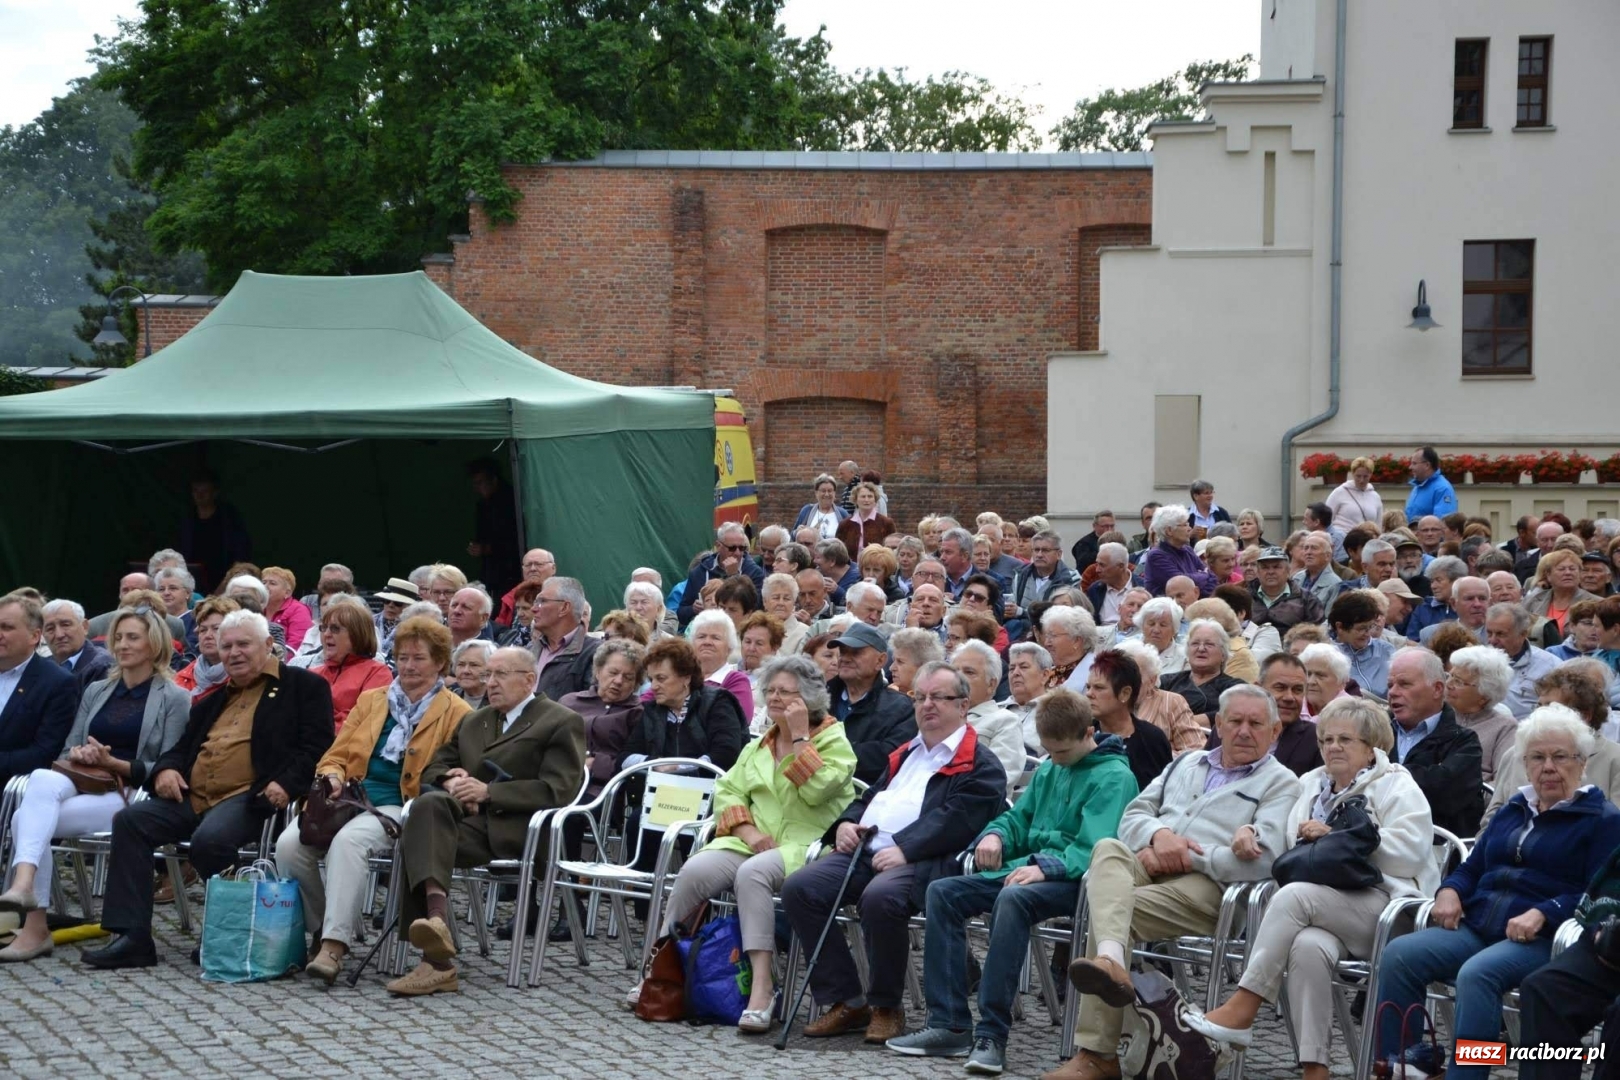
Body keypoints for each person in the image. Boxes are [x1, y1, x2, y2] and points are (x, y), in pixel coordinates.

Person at [1056, 685, 1301, 1080]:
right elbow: (1132, 818)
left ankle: (1098, 1054)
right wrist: (1158, 837)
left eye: (1255, 724)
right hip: (1150, 865)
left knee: (1113, 914)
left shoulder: (1283, 784)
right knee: (1107, 849)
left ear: (1274, 733)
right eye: (1234, 721)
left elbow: (1268, 859)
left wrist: (1189, 856)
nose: (1243, 731)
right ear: (1217, 724)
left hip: (1213, 891)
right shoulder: (1184, 764)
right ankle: (1112, 964)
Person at [888, 689, 1137, 1072]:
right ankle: (949, 1023)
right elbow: (1018, 819)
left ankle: (992, 1033)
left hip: (1080, 883)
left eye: (1062, 753)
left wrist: (1043, 867)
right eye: (1049, 753)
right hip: (1026, 871)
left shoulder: (1114, 777)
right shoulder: (1053, 768)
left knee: (1013, 899)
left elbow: (1097, 848)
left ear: (1089, 733)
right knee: (943, 892)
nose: (1054, 761)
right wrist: (996, 835)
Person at [1187, 697, 1437, 1077]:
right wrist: (1251, 830)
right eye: (1326, 740)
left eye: (1345, 740)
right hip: (1324, 907)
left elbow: (1411, 852)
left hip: (1389, 910)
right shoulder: (1311, 784)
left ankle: (1243, 1007)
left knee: (1292, 896)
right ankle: (1314, 1068)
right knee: (1307, 947)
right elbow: (1288, 847)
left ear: (1371, 748)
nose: (1332, 747)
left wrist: (1341, 837)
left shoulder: (1396, 784)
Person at [1373, 705, 1620, 1077]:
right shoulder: (1515, 808)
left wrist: (1546, 911)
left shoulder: (1602, 820)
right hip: (1480, 924)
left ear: (1581, 762)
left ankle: (1469, 1074)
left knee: (1477, 975)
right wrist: (1450, 890)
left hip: (1542, 936)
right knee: (1401, 954)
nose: (1548, 767)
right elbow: (1474, 865)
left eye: (1560, 757)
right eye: (1537, 757)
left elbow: (1596, 893)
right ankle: (1404, 1064)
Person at [82, 610, 334, 969]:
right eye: (226, 645)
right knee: (131, 821)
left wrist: (287, 782)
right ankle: (132, 937)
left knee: (209, 840)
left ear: (268, 645)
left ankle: (226, 932)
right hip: (194, 795)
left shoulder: (302, 686)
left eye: (243, 644)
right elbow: (181, 749)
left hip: (251, 796)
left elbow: (317, 745)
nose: (234, 652)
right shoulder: (213, 699)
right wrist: (167, 770)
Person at [780, 662, 1007, 1045]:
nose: (927, 705)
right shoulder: (907, 752)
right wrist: (847, 823)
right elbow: (872, 797)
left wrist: (906, 848)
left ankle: (887, 1006)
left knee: (881, 897)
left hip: (927, 861)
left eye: (939, 697)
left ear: (964, 705)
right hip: (868, 850)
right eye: (920, 697)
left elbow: (959, 820)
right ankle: (847, 1000)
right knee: (800, 886)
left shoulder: (980, 762)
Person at [648, 655, 857, 1033]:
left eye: (787, 692)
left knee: (752, 874)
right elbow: (728, 791)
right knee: (695, 869)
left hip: (805, 844)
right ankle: (663, 972)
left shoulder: (834, 740)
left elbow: (816, 790)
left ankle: (762, 987)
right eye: (771, 690)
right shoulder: (761, 743)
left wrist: (799, 738)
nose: (775, 698)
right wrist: (747, 832)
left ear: (809, 699)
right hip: (753, 840)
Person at [275, 617, 471, 984]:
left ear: (441, 663)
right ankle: (320, 930)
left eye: (419, 658)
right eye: (403, 657)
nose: (409, 666)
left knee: (348, 844)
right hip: (348, 797)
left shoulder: (457, 712)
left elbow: (450, 769)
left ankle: (334, 946)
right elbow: (336, 754)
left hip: (400, 804)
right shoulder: (372, 700)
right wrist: (332, 775)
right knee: (288, 846)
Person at [385, 645, 584, 996]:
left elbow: (559, 791)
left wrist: (489, 793)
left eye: (500, 675)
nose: (490, 683)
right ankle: (437, 927)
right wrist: (451, 780)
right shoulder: (476, 719)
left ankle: (435, 957)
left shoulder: (558, 720)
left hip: (521, 829)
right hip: (470, 825)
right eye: (487, 675)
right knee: (427, 807)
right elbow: (433, 767)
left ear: (528, 680)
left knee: (422, 836)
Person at [0, 607, 190, 962]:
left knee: (23, 819)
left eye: (132, 637)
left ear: (154, 643)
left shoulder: (174, 697)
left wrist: (113, 762)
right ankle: (26, 892)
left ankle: (33, 923)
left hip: (129, 791)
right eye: (118, 637)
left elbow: (169, 763)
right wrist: (85, 752)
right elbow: (67, 746)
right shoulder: (98, 689)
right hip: (85, 779)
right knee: (40, 781)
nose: (122, 644)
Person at [1481, 664, 1620, 828]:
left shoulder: (1614, 758)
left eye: (1552, 707)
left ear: (1585, 716)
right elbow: (1491, 819)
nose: (1540, 713)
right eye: (1539, 706)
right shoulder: (1516, 753)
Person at [1384, 647, 1485, 839]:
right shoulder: (1374, 732)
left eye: (1404, 684)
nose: (1393, 693)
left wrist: (1382, 774)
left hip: (1436, 851)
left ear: (1437, 689)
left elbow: (1443, 795)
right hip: (1373, 845)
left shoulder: (1464, 742)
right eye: (1390, 685)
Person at [618, 637, 746, 774]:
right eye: (651, 679)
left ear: (686, 677)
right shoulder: (651, 711)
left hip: (711, 789)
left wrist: (680, 768)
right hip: (660, 790)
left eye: (661, 678)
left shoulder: (718, 702)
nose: (653, 687)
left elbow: (726, 754)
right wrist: (656, 763)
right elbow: (625, 758)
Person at [0, 595, 79, 787]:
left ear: (34, 636)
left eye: (7, 627)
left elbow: (44, 754)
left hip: (12, 787)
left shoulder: (57, 683)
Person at [823, 622, 916, 785]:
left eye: (856, 652)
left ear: (880, 661)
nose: (845, 658)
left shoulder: (902, 708)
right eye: (843, 651)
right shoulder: (818, 698)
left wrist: (824, 750)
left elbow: (888, 757)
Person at [1083, 648, 1174, 792]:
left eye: (1099, 688)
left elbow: (1165, 793)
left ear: (1125, 693)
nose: (1089, 694)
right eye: (1088, 687)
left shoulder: (1152, 739)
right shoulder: (1078, 735)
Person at [310, 596, 392, 731]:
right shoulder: (313, 674)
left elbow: (362, 720)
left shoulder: (377, 672)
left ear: (357, 634)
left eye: (335, 629)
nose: (326, 634)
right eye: (324, 628)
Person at [1439, 645, 1518, 784]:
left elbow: (1503, 782)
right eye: (1450, 675)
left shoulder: (1505, 727)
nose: (1449, 684)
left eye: (1458, 681)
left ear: (1484, 696)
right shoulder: (1435, 714)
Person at [953, 640, 1027, 785]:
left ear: (991, 684)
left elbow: (997, 779)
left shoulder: (1005, 721)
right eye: (954, 671)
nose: (958, 679)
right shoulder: (937, 718)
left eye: (969, 672)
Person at [177, 471, 252, 593]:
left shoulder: (229, 519)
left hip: (225, 580)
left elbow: (241, 555)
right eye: (196, 491)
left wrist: (225, 585)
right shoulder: (188, 519)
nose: (200, 495)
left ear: (215, 493)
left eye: (205, 491)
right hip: (191, 581)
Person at [529, 576, 599, 702]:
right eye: (535, 602)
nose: (533, 609)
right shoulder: (528, 651)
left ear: (564, 608)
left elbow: (590, 708)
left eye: (542, 601)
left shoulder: (595, 653)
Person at [464, 458, 521, 601]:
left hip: (511, 571)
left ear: (494, 480)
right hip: (491, 572)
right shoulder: (483, 505)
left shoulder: (513, 502)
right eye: (475, 483)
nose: (477, 488)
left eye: (480, 482)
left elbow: (516, 538)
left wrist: (488, 548)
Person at [1326, 590, 1396, 700]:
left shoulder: (1386, 650)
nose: (1368, 633)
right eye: (1361, 629)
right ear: (1340, 627)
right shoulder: (1326, 654)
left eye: (1370, 627)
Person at [1523, 548, 1601, 645]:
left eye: (1572, 569)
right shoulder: (1533, 600)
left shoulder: (1596, 603)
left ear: (1580, 573)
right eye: (1561, 569)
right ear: (1548, 575)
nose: (1568, 573)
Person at [173, 596, 240, 702]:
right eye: (203, 630)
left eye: (216, 629)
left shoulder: (245, 676)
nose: (208, 635)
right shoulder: (181, 678)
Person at [1140, 505, 1216, 599]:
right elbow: (1181, 584)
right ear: (1169, 531)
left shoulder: (1188, 550)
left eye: (1188, 524)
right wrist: (1203, 575)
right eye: (1184, 525)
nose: (1189, 529)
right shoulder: (1156, 555)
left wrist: (1197, 581)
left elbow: (1212, 578)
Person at [1250, 546, 1324, 637]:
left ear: (1288, 571)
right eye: (1265, 568)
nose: (1270, 572)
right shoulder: (1245, 598)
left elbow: (1317, 633)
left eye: (1276, 567)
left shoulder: (1306, 599)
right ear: (1257, 572)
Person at [41, 599, 112, 692]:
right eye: (50, 628)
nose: (59, 635)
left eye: (65, 625)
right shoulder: (43, 667)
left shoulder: (101, 666)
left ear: (85, 627)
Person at [739, 612, 784, 728]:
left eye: (759, 643)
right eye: (747, 642)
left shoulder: (780, 680)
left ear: (774, 648)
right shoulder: (728, 672)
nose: (751, 648)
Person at [261, 566, 314, 657]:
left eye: (272, 583)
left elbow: (295, 646)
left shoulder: (299, 610)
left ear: (287, 593)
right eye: (263, 582)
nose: (265, 586)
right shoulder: (256, 607)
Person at [496, 548, 556, 627]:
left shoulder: (563, 596)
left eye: (539, 564)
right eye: (528, 565)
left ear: (553, 568)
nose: (533, 569)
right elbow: (500, 628)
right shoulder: (512, 597)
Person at [1324, 456, 1384, 532]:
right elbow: (1326, 518)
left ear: (1371, 475)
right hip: (1342, 537)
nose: (1361, 480)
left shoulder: (1375, 497)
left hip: (1366, 539)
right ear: (1352, 474)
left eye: (1365, 476)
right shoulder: (1339, 492)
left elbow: (1378, 524)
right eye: (1358, 476)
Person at [835, 481, 894, 556]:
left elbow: (893, 549)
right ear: (856, 500)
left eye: (870, 496)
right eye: (863, 496)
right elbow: (838, 550)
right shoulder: (845, 524)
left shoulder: (886, 523)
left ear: (875, 500)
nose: (866, 500)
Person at [1403, 445, 1458, 522]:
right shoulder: (1418, 486)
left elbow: (1442, 523)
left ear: (1427, 465)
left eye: (1414, 463)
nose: (1410, 467)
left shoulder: (1443, 488)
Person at [890, 627, 946, 700]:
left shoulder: (934, 703)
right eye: (893, 660)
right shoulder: (886, 694)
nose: (891, 668)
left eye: (900, 662)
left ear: (922, 667)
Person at [1135, 596, 1186, 678]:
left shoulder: (1185, 657)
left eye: (1163, 625)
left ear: (1174, 629)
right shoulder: (1126, 651)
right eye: (1151, 624)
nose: (1156, 630)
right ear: (1142, 625)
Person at [1291, 532, 1342, 612]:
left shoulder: (1335, 584)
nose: (1308, 552)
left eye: (1314, 548)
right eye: (1306, 548)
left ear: (1327, 556)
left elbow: (1329, 618)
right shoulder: (1297, 577)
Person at [795, 473, 849, 539]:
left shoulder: (843, 514)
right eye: (823, 491)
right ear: (816, 493)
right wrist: (797, 532)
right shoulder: (807, 511)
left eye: (830, 491)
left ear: (834, 493)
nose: (826, 494)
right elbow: (793, 535)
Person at [449, 639, 496, 710]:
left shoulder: (500, 702)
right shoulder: (447, 699)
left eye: (474, 665)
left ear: (491, 670)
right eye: (461, 664)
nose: (465, 671)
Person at [1069, 510, 1117, 574]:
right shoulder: (1083, 544)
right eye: (1105, 526)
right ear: (1094, 526)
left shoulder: (1117, 541)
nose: (1109, 529)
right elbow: (1083, 565)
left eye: (1112, 526)